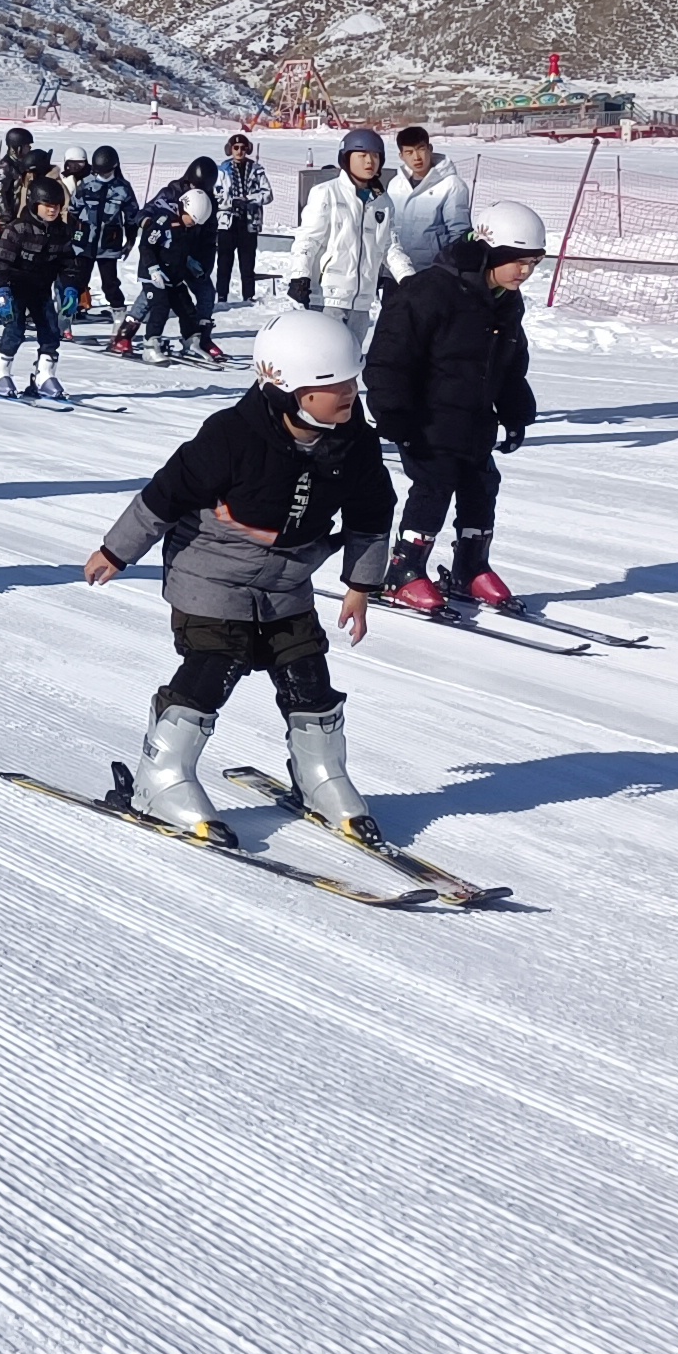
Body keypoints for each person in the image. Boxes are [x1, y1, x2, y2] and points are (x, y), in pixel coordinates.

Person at [78, 306, 396, 844]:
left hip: (286, 582)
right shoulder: (231, 435)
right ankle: (161, 777)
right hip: (211, 573)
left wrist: (361, 586)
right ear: (286, 389)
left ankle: (320, 775)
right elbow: (165, 494)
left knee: (307, 673)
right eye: (332, 385)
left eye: (352, 380)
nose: (349, 393)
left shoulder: (354, 443)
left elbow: (372, 516)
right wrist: (117, 550)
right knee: (213, 667)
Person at [361, 199, 544, 608]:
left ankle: (470, 568)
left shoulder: (506, 301)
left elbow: (510, 365)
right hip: (426, 419)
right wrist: (392, 412)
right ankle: (404, 569)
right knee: (434, 486)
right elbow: (390, 356)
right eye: (517, 261)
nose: (525, 272)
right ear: (488, 252)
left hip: (475, 420)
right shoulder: (429, 292)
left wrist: (515, 414)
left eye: (532, 263)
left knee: (482, 486)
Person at [289, 125, 395, 325]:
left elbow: (390, 246)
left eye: (375, 155)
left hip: (362, 301)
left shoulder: (383, 201)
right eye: (362, 155)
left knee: (352, 354)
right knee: (324, 354)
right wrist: (300, 277)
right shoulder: (327, 192)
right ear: (346, 158)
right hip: (328, 298)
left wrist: (408, 278)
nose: (369, 161)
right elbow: (308, 239)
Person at [0, 173, 76, 399]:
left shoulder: (61, 232)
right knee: (15, 330)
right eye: (47, 206)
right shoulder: (18, 229)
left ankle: (44, 376)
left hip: (41, 289)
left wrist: (71, 288)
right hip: (16, 288)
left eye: (57, 206)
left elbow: (68, 265)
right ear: (35, 204)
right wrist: (3, 291)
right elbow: (1, 262)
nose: (53, 210)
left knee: (51, 332)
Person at [119, 186, 223, 364]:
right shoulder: (163, 220)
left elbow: (177, 249)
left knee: (187, 309)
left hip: (174, 276)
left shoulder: (185, 228)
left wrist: (190, 263)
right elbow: (146, 246)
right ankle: (150, 345)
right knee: (160, 307)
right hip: (154, 275)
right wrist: (153, 269)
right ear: (185, 208)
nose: (193, 224)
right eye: (192, 219)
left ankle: (191, 341)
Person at [383, 124, 471, 289]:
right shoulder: (395, 184)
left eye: (420, 149)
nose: (416, 157)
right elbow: (387, 229)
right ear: (401, 156)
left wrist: (449, 270)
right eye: (409, 152)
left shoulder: (451, 185)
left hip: (432, 274)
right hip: (396, 274)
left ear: (429, 148)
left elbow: (458, 233)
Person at [72, 145, 138, 318]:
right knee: (78, 281)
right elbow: (73, 210)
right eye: (99, 171)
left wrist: (130, 240)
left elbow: (132, 216)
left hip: (108, 243)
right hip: (85, 241)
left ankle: (119, 315)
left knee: (110, 283)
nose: (102, 175)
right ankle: (68, 317)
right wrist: (71, 234)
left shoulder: (123, 188)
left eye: (106, 172)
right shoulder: (86, 184)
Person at [213, 135, 270, 304]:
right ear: (230, 149)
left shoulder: (257, 170)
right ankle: (222, 296)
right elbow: (216, 195)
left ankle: (248, 296)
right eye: (236, 147)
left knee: (248, 262)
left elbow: (268, 194)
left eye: (243, 148)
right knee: (224, 262)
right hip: (227, 222)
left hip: (249, 222)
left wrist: (249, 199)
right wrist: (231, 202)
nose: (239, 151)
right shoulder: (221, 171)